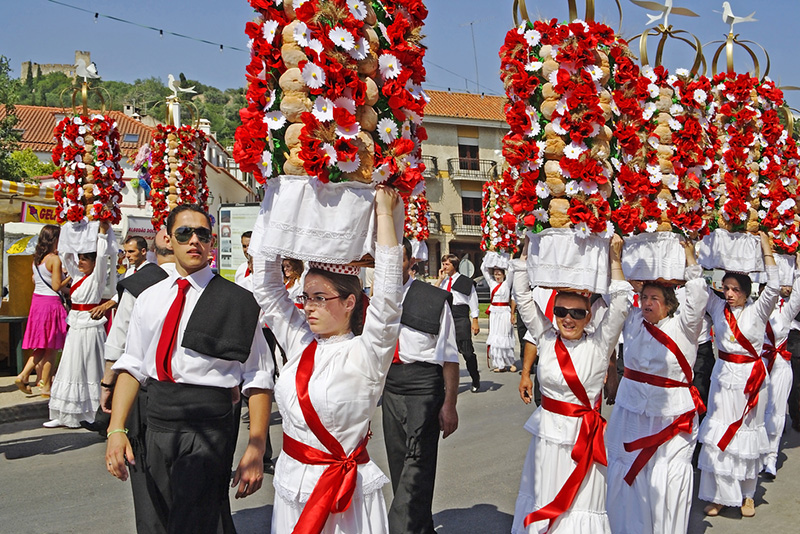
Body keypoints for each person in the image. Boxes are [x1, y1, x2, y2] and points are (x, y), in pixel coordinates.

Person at [105, 204, 274, 533]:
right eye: (185, 233)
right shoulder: (150, 298)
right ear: (168, 238)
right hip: (158, 421)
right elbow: (132, 365)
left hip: (209, 424)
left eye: (203, 234)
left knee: (192, 523)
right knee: (163, 520)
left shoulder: (237, 301)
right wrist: (116, 430)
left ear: (211, 242)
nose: (194, 240)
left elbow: (259, 376)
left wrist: (255, 445)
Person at [251, 186, 402, 533]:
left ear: (350, 302)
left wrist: (383, 213)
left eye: (320, 298)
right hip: (292, 483)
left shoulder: (367, 353)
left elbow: (389, 299)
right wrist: (274, 206)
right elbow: (268, 289)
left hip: (343, 494)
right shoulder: (301, 342)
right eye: (306, 297)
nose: (308, 307)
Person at [510, 235, 630, 534]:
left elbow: (621, 304)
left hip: (584, 440)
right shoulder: (546, 338)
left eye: (577, 313)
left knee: (581, 508)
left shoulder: (601, 344)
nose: (568, 319)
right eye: (561, 312)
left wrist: (615, 260)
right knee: (544, 497)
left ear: (589, 316)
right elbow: (523, 297)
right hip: (548, 437)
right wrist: (526, 250)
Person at [605, 239, 708, 534]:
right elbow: (620, 295)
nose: (647, 302)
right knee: (626, 471)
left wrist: (689, 257)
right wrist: (617, 260)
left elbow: (698, 297)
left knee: (666, 479)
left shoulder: (684, 326)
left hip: (673, 414)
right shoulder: (634, 322)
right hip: (631, 409)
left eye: (654, 298)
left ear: (669, 304)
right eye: (645, 297)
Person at [98, 227, 175, 533]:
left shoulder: (138, 287)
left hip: (148, 394)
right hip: (201, 407)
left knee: (148, 484)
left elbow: (119, 344)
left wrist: (108, 383)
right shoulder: (212, 287)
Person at [382, 238, 459, 534]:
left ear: (409, 261)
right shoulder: (375, 301)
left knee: (417, 466)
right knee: (400, 467)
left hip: (424, 389)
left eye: (397, 259)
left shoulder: (433, 298)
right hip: (390, 388)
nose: (391, 267)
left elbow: (450, 357)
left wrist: (449, 404)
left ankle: (398, 529)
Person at [699, 232, 778, 518]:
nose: (730, 293)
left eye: (735, 289)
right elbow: (696, 282)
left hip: (751, 379)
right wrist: (693, 246)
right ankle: (720, 494)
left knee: (745, 436)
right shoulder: (717, 307)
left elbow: (775, 284)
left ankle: (747, 495)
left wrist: (766, 246)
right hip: (723, 376)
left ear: (746, 290)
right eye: (726, 288)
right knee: (720, 434)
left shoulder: (758, 311)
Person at [45, 222, 113, 428]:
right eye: (80, 258)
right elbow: (67, 257)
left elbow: (101, 258)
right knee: (71, 366)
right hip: (75, 325)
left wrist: (101, 235)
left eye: (85, 259)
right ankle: (66, 413)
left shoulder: (96, 278)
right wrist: (69, 234)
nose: (81, 262)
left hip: (90, 326)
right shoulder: (77, 277)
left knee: (91, 367)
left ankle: (93, 412)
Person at [17, 225, 69, 396]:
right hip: (51, 304)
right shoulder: (54, 259)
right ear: (55, 240)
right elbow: (56, 286)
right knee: (51, 348)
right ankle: (46, 386)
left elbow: (35, 279)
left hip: (37, 303)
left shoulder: (37, 259)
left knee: (41, 345)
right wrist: (71, 276)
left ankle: (24, 375)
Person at [760, 262, 800, 479]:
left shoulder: (785, 313)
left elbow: (798, 295)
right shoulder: (754, 309)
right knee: (757, 413)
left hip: (780, 366)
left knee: (775, 414)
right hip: (759, 366)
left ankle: (771, 458)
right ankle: (756, 455)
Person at [437, 254, 481, 392]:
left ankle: (475, 378)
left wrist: (475, 320)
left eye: (447, 264)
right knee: (446, 353)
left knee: (467, 352)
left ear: (454, 266)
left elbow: (473, 301)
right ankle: (447, 383)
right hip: (447, 317)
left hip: (461, 317)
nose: (444, 267)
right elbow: (435, 295)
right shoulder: (444, 282)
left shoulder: (465, 282)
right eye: (443, 264)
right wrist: (439, 280)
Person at [88, 235, 149, 320]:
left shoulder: (150, 271)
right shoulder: (130, 271)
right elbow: (122, 294)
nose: (127, 255)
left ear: (143, 251)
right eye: (126, 252)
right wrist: (104, 307)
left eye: (131, 251)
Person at [481, 260, 517, 372]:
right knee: (495, 336)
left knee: (505, 334)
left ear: (503, 274)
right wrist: (491, 257)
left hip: (505, 311)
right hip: (494, 312)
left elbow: (511, 269)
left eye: (499, 273)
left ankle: (510, 362)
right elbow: (483, 268)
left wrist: (503, 259)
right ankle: (499, 364)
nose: (497, 276)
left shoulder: (507, 283)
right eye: (495, 274)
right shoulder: (492, 283)